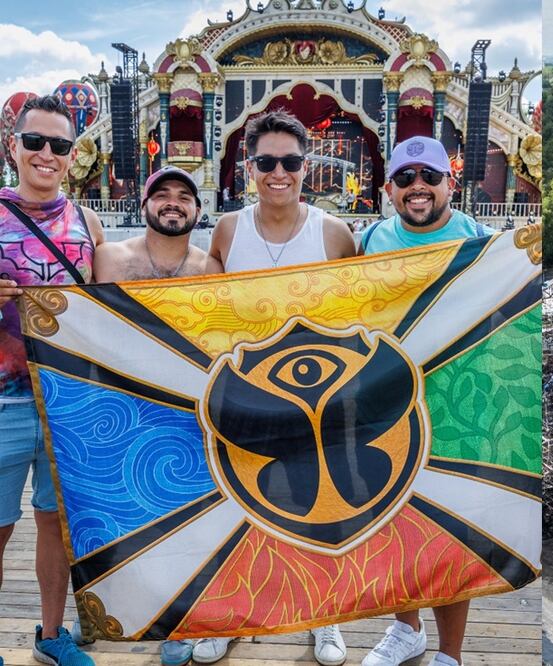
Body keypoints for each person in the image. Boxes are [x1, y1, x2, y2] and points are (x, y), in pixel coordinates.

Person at [201, 109, 355, 666]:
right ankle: (232, 614)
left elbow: (362, 315)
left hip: (319, 395)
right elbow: (202, 310)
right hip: (245, 397)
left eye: (290, 161)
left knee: (324, 507)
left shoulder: (333, 233)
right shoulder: (228, 231)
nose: (278, 173)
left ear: (306, 167)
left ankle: (327, 618)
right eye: (266, 162)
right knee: (238, 508)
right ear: (249, 168)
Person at [358, 135, 493, 666]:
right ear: (389, 188)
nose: (419, 188)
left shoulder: (480, 241)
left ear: (450, 184)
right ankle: (405, 629)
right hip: (386, 404)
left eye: (430, 177)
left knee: (449, 526)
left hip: (452, 401)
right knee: (392, 524)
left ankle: (450, 654)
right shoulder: (369, 241)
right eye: (407, 178)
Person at [93, 165, 219, 666]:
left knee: (188, 523)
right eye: (161, 194)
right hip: (121, 407)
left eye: (183, 197)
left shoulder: (210, 269)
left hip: (187, 413)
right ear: (144, 205)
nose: (172, 202)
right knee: (121, 516)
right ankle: (123, 610)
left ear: (197, 209)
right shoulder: (109, 257)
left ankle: (179, 624)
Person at [0, 94, 105, 666]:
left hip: (67, 400)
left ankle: (49, 633)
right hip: (3, 401)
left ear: (71, 155)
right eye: (35, 142)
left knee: (52, 524)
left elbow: (114, 307)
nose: (47, 154)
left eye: (59, 145)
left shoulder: (86, 222)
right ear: (13, 146)